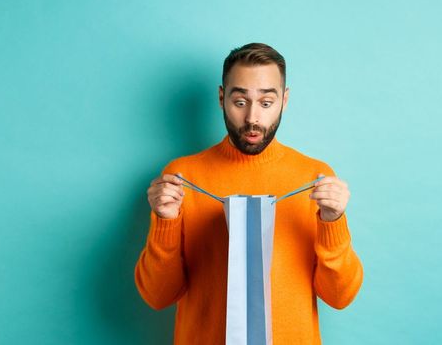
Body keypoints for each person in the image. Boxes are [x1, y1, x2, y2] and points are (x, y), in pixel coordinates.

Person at [135, 42, 363, 344]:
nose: (253, 118)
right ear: (221, 98)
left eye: (266, 103)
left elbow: (339, 296)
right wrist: (165, 222)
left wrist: (332, 222)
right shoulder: (183, 178)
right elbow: (158, 296)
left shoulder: (313, 178)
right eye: (240, 102)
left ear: (284, 100)